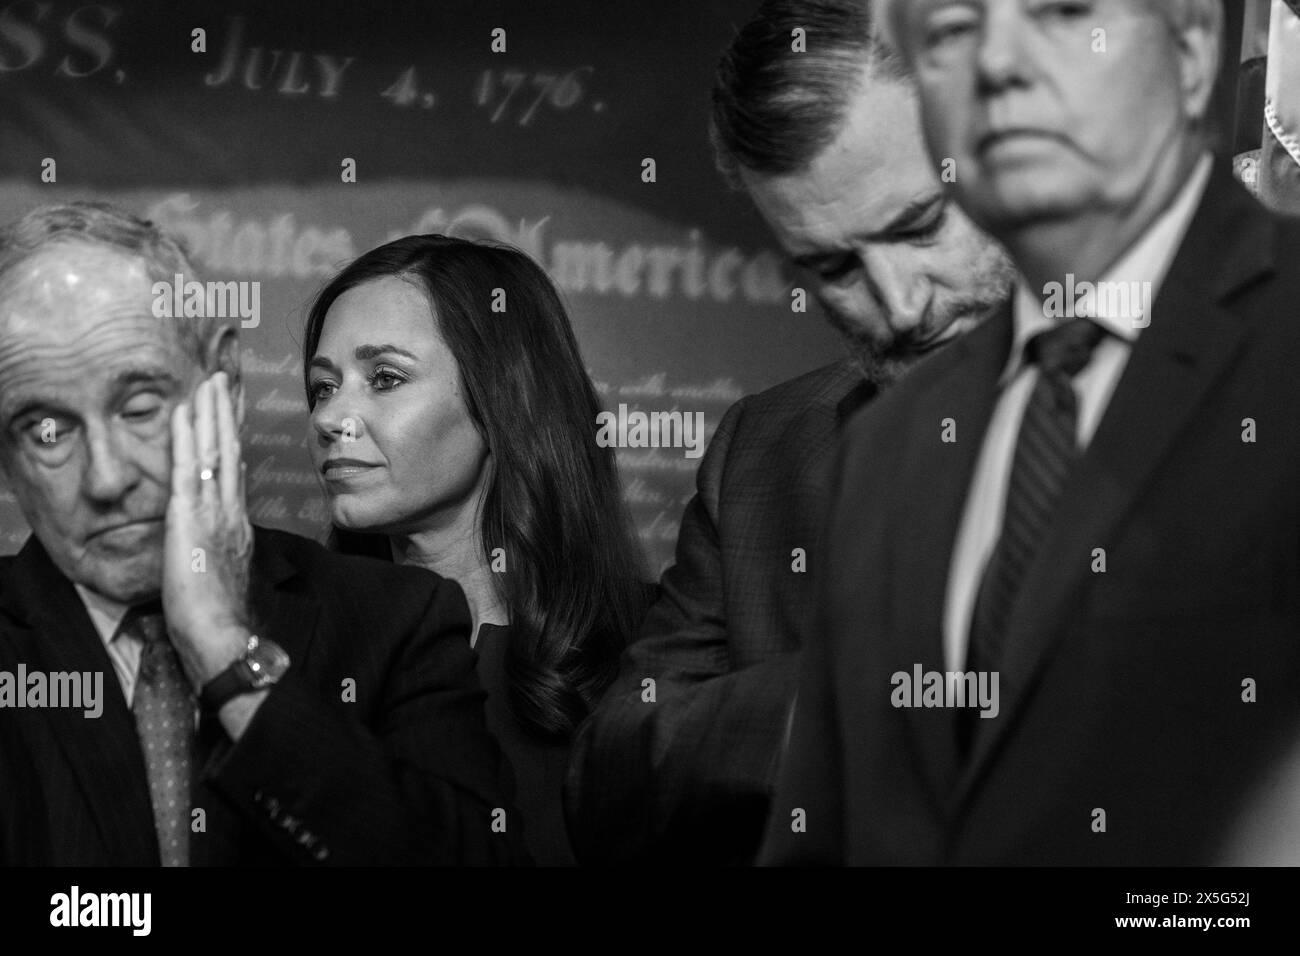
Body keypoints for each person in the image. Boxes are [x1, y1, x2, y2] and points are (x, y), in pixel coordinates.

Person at [762, 0, 1300, 865]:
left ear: (1192, 53)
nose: (1000, 71)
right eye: (952, 37)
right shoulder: (888, 443)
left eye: (1062, 19)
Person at [564, 0, 1015, 864]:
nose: (900, 303)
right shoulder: (766, 447)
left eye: (922, 224)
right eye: (834, 267)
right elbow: (609, 778)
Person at [0, 201, 516, 866]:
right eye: (47, 431)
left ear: (224, 382)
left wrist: (223, 649)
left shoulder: (395, 621)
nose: (105, 478)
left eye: (139, 408)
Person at [301, 234, 649, 866]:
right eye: (323, 387)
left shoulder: (648, 663)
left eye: (384, 378)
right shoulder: (292, 652)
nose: (332, 418)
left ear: (502, 398)